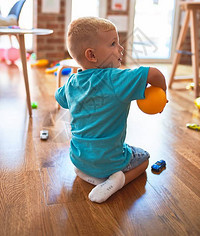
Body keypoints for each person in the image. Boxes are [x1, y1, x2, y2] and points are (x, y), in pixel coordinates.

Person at [55, 17, 167, 203]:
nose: (120, 48)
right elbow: (154, 73)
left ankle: (90, 174)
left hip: (78, 157)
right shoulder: (117, 79)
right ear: (91, 55)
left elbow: (59, 98)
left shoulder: (72, 83)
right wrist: (163, 95)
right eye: (113, 43)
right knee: (144, 158)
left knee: (89, 158)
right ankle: (117, 181)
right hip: (110, 161)